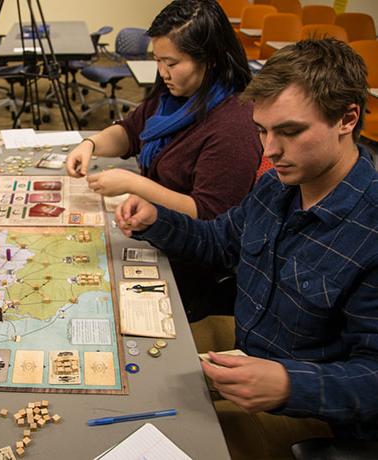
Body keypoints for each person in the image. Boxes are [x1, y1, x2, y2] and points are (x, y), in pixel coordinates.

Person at [115, 38, 377, 458]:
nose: (270, 151)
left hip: (308, 415)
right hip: (242, 356)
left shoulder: (370, 228)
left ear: (347, 118)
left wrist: (290, 384)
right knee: (126, 385)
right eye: (262, 130)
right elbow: (220, 241)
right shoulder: (279, 184)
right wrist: (156, 220)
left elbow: (372, 375)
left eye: (290, 132)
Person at [67, 0, 261, 321]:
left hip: (190, 263)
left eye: (171, 62)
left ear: (209, 60)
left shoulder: (233, 125)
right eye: (157, 60)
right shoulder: (175, 96)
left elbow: (210, 218)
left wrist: (134, 183)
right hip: (152, 230)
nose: (162, 72)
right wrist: (90, 144)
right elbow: (130, 132)